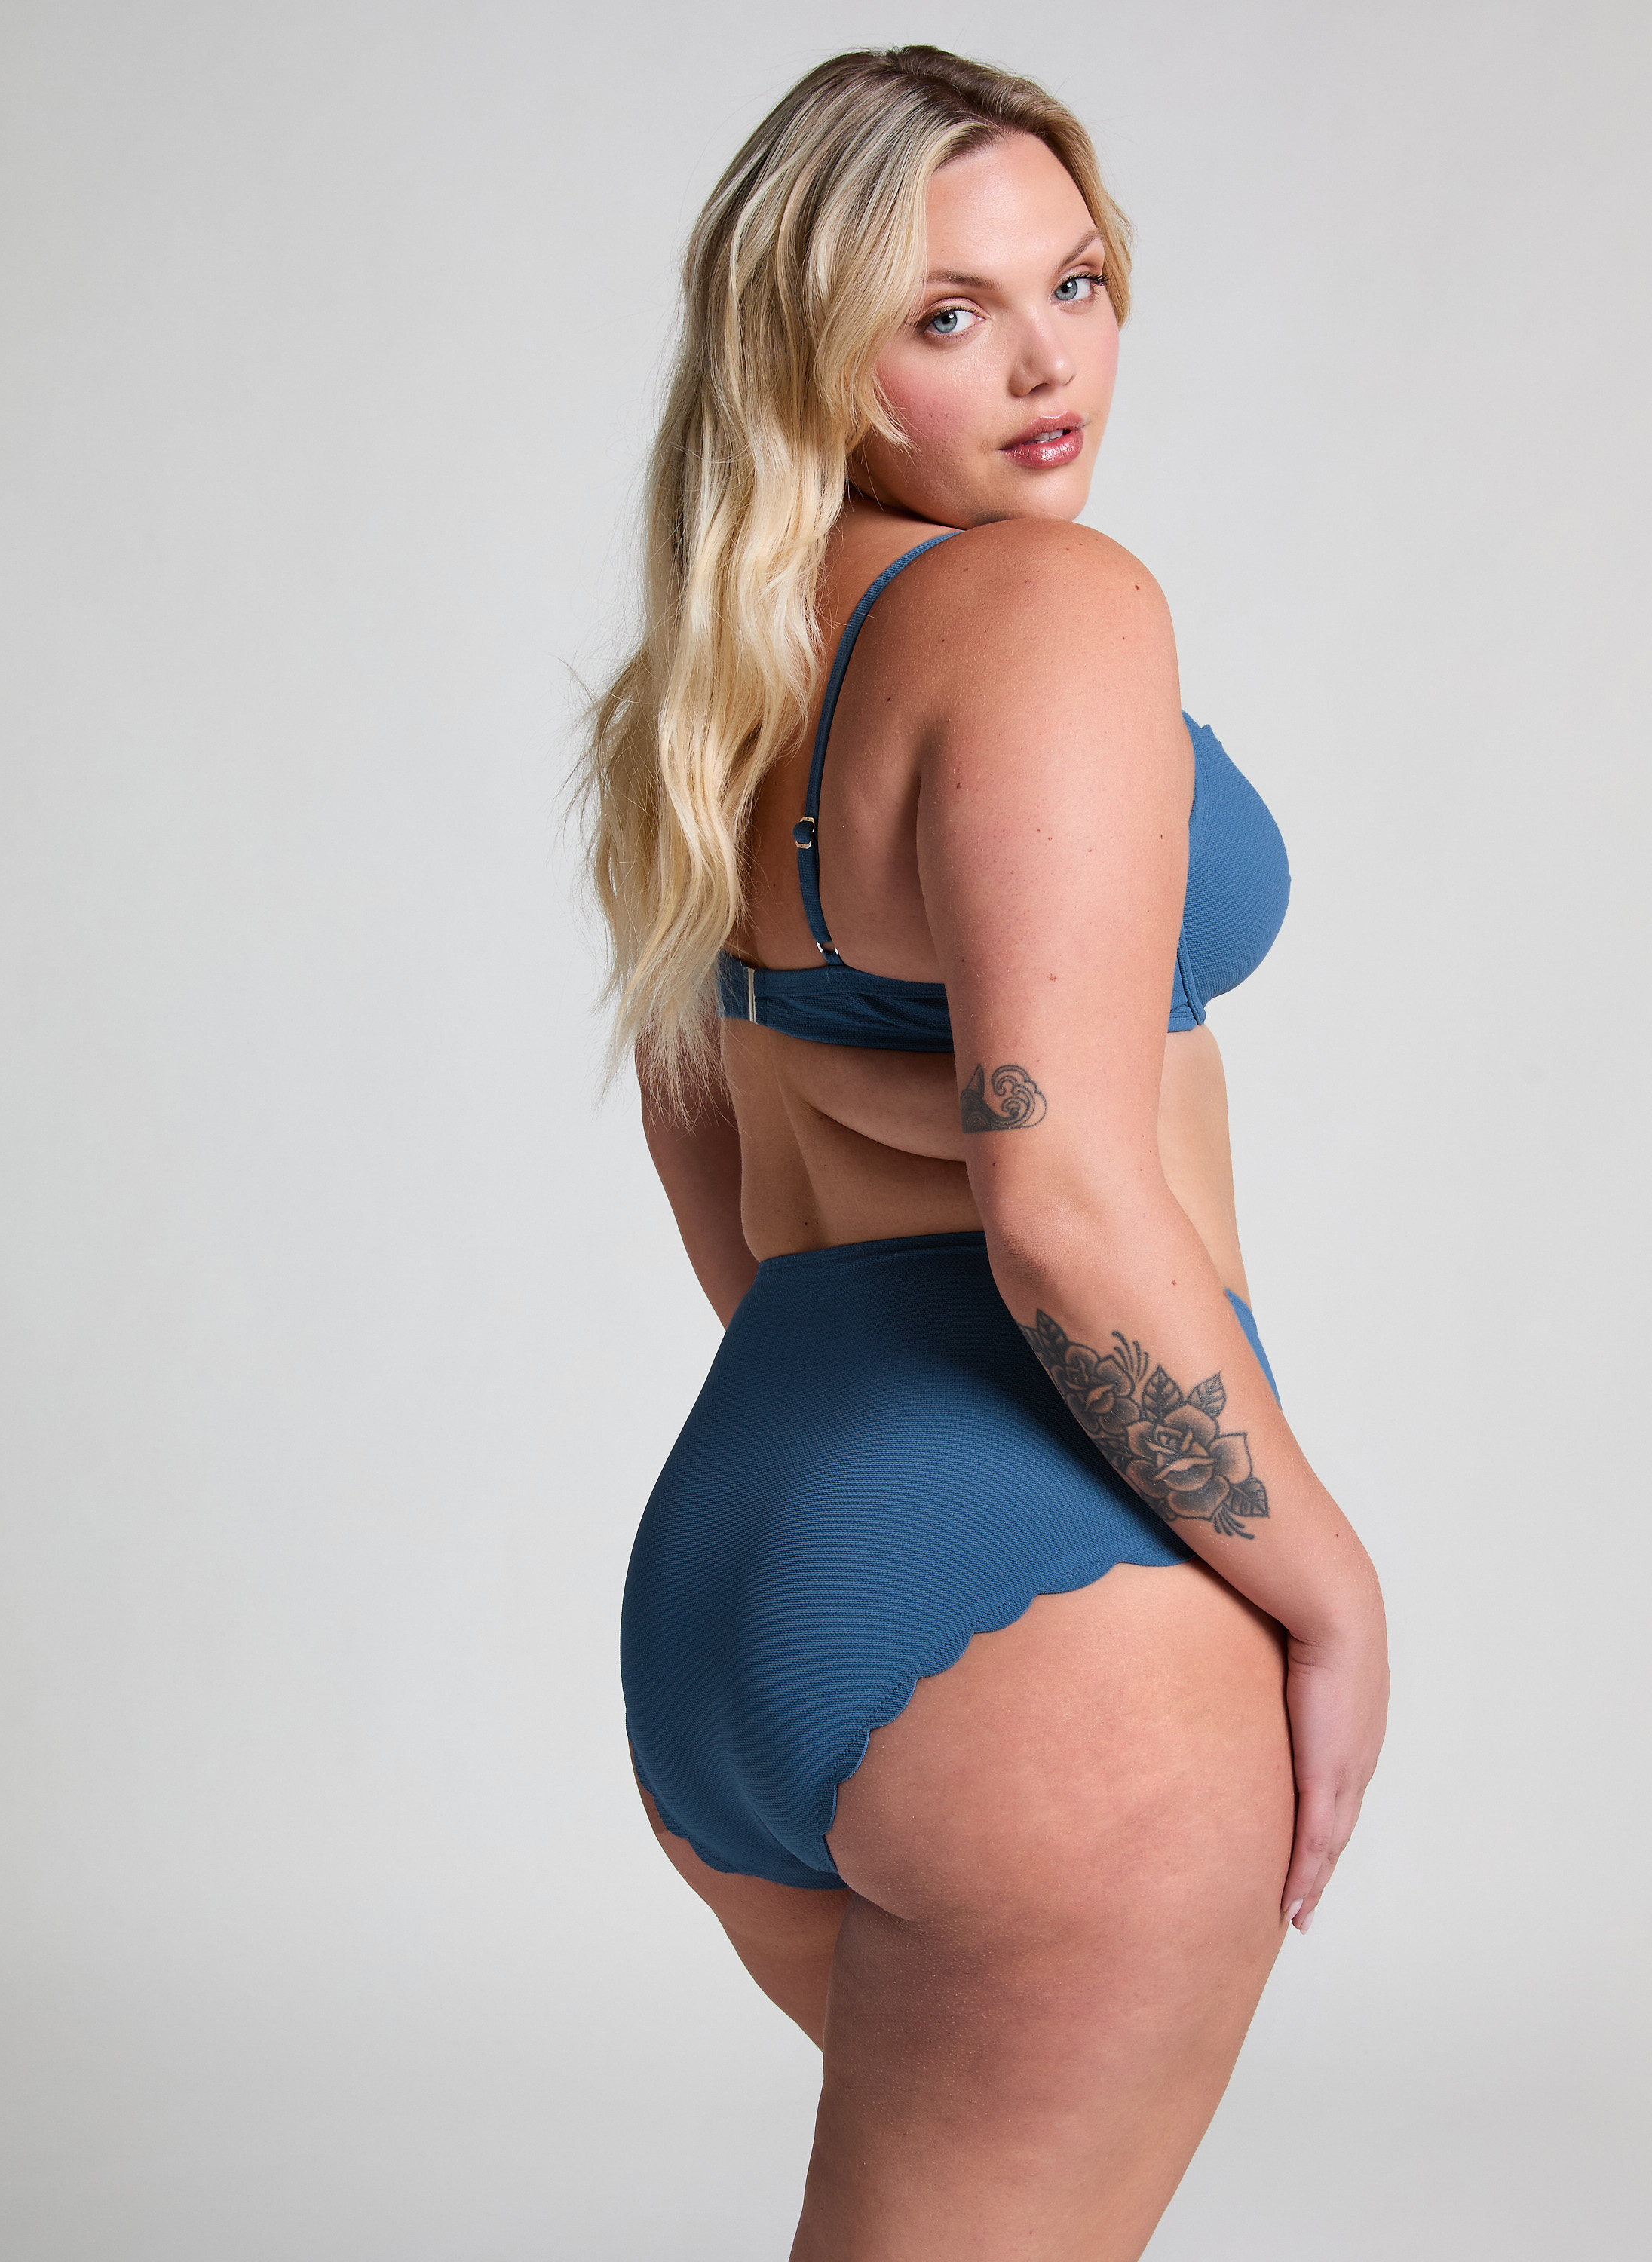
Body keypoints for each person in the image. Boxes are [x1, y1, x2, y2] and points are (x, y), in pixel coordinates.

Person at [581, 44, 1388, 2260]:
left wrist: (870, 1447)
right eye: (949, 314)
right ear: (810, 349)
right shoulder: (1047, 607)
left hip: (746, 1564)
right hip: (1044, 1610)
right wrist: (1325, 1589)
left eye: (1078, 283)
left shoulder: (707, 684)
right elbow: (1059, 1205)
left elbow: (717, 1156)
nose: (1048, 365)